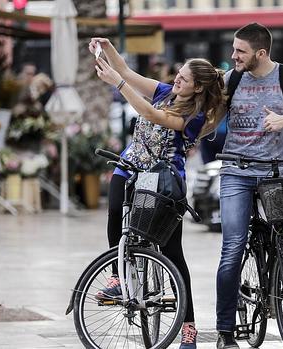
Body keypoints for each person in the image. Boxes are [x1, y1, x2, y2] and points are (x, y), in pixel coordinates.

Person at [89, 37, 226, 349]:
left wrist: (118, 84)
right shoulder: (165, 91)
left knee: (173, 253)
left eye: (184, 78)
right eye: (177, 74)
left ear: (198, 88)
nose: (176, 79)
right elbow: (126, 71)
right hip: (130, 166)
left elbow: (153, 115)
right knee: (114, 215)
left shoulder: (196, 118)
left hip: (163, 179)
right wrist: (109, 49)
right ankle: (117, 279)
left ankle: (188, 327)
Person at [215, 22, 283, 349]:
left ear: (261, 53)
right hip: (236, 172)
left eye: (240, 51)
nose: (233, 56)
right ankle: (225, 332)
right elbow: (209, 116)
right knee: (232, 248)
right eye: (234, 49)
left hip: (278, 171)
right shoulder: (231, 78)